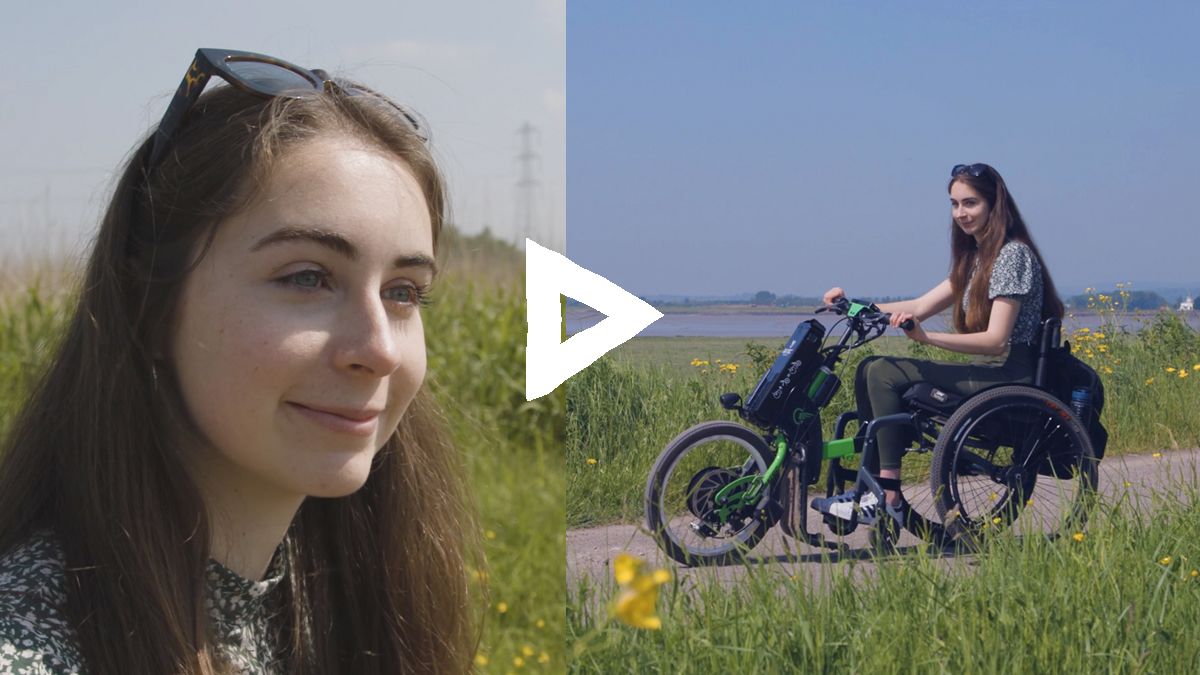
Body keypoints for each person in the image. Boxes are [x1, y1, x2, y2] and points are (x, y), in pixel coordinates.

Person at [0, 49, 479, 674]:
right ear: (148, 307)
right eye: (307, 277)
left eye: (403, 292)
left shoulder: (345, 605)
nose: (380, 350)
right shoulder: (31, 652)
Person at [812, 163, 1064, 526]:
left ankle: (887, 495)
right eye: (954, 204)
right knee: (870, 367)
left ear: (995, 205)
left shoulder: (1013, 255)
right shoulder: (975, 260)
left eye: (970, 203)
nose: (960, 213)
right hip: (992, 371)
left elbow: (996, 341)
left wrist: (926, 338)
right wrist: (852, 306)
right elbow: (918, 307)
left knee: (883, 371)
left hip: (1010, 375)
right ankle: (875, 491)